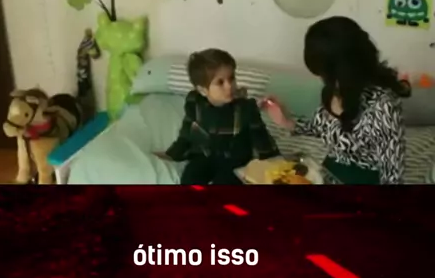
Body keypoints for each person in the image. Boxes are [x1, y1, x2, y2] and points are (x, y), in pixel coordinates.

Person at [261, 17, 411, 185]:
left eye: (322, 72)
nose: (321, 78)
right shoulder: (333, 89)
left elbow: (393, 176)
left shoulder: (383, 106)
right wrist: (287, 122)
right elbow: (323, 128)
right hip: (328, 173)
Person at [158, 49, 278, 185]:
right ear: (203, 90)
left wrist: (274, 161)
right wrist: (172, 154)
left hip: (236, 160)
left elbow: (261, 136)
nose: (229, 86)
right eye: (220, 82)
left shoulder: (245, 107)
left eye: (231, 78)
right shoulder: (195, 102)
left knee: (224, 183)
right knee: (189, 179)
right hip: (205, 155)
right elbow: (187, 133)